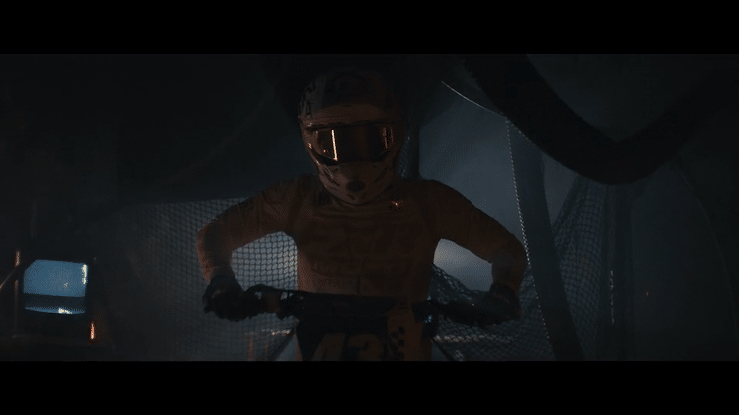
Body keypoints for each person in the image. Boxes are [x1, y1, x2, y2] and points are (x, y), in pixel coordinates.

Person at [198, 68, 527, 361]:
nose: (352, 161)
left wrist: (221, 279)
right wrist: (502, 291)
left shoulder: (297, 199)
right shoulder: (428, 202)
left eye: (368, 140)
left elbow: (216, 233)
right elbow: (506, 250)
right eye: (334, 144)